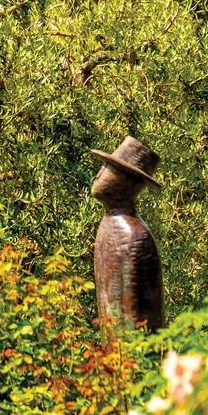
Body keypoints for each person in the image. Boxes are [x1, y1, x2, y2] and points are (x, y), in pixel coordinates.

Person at [89, 135, 164, 331]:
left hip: (132, 354)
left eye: (109, 169)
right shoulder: (109, 223)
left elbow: (137, 316)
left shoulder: (133, 235)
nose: (99, 174)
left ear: (126, 182)